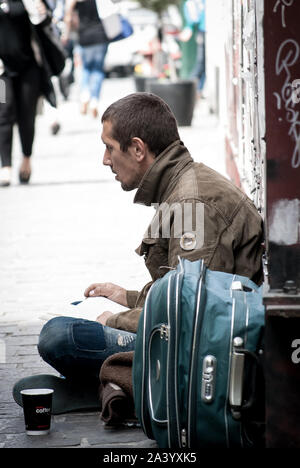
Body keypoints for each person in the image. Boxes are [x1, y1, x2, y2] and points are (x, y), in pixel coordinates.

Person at [13, 92, 264, 414]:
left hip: (210, 349)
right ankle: (118, 384)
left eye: (109, 147)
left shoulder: (192, 205)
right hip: (200, 332)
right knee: (69, 331)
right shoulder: (182, 186)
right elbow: (180, 287)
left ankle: (126, 387)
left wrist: (117, 320)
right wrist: (129, 297)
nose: (105, 160)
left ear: (137, 149)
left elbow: (193, 316)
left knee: (60, 336)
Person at [62, 0, 109, 118]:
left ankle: (85, 95)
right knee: (98, 70)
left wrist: (66, 33)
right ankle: (94, 102)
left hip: (84, 36)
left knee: (86, 69)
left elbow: (68, 15)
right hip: (100, 34)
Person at [180, 0, 206, 97]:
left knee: (204, 64)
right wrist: (189, 27)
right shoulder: (191, 3)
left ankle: (198, 90)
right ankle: (188, 88)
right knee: (201, 63)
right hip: (203, 32)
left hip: (204, 31)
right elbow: (194, 19)